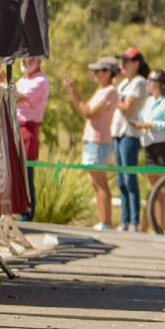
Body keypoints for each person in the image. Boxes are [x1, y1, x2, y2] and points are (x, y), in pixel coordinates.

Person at [64, 57, 119, 231]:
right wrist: (74, 94)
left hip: (99, 141)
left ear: (108, 73)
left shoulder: (110, 91)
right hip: (92, 140)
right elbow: (84, 110)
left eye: (98, 71)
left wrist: (74, 94)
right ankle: (103, 221)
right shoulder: (101, 90)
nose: (94, 74)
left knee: (100, 182)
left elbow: (89, 112)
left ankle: (106, 222)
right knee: (96, 182)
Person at [134, 69, 165, 234]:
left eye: (151, 80)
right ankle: (158, 227)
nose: (147, 83)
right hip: (150, 147)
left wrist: (151, 125)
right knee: (154, 190)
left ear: (161, 84)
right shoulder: (148, 101)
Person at [110, 47, 149, 232]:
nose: (123, 65)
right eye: (122, 61)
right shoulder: (124, 83)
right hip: (118, 133)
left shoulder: (139, 82)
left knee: (129, 178)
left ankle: (134, 221)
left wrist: (113, 95)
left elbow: (126, 108)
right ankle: (124, 221)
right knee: (120, 180)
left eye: (127, 62)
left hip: (130, 134)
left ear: (136, 63)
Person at [14, 57, 50, 221]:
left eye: (29, 57)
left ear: (38, 61)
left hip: (28, 129)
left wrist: (5, 88)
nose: (25, 60)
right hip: (16, 126)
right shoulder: (23, 80)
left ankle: (27, 211)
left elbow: (19, 97)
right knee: (17, 172)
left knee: (26, 173)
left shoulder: (41, 81)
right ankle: (19, 208)